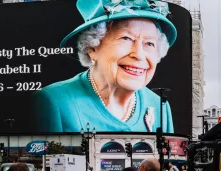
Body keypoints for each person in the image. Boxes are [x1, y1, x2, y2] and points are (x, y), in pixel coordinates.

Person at [31, 0, 177, 133]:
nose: (139, 55)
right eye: (126, 38)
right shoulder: (55, 102)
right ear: (92, 48)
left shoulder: (159, 106)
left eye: (149, 43)